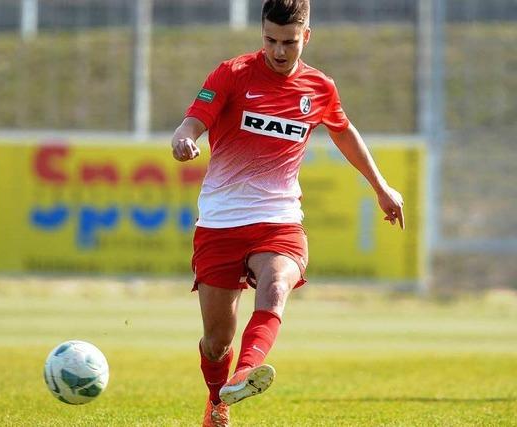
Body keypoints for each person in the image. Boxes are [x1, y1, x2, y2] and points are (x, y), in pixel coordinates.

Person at [170, 1, 405, 426]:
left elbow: (343, 131)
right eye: (270, 41)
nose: (279, 51)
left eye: (289, 43)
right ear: (262, 34)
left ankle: (247, 372)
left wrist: (381, 186)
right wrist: (183, 138)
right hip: (221, 222)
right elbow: (194, 120)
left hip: (278, 219)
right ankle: (217, 400)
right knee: (217, 340)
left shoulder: (319, 87)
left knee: (278, 281)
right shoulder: (233, 73)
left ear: (306, 37)